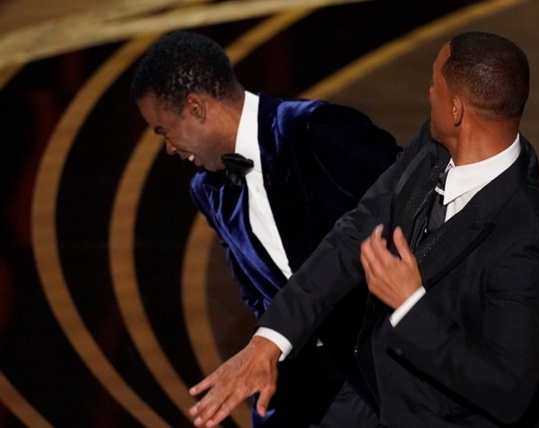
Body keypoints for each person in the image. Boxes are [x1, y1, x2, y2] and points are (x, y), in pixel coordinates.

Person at [187, 32, 539, 427]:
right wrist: (270, 340)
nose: (428, 93)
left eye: (434, 85)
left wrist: (410, 305)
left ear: (456, 108)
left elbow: (507, 391)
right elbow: (354, 232)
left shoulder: (525, 237)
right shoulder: (435, 145)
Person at [130, 31, 401, 427]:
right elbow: (257, 293)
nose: (169, 148)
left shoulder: (315, 129)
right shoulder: (207, 190)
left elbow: (415, 209)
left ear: (196, 108)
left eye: (164, 130)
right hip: (307, 385)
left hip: (388, 368)